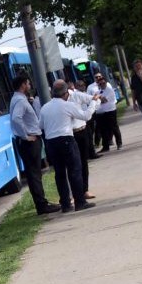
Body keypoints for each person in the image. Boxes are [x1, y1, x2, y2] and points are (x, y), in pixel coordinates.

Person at [40, 79, 97, 212]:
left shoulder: (45, 107)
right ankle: (79, 202)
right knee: (75, 171)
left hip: (51, 143)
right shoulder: (67, 105)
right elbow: (86, 116)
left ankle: (65, 204)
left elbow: (40, 126)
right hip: (66, 139)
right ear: (66, 93)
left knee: (59, 173)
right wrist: (93, 102)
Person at [9, 74, 60, 215]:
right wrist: (26, 136)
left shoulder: (17, 98)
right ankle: (42, 206)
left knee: (34, 174)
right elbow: (16, 119)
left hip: (28, 142)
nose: (30, 85)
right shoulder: (20, 100)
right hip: (30, 143)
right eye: (28, 83)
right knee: (34, 175)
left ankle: (42, 203)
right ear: (23, 85)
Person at [91, 73, 122, 151]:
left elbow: (104, 100)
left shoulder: (109, 90)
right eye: (99, 83)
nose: (101, 84)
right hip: (100, 113)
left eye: (103, 82)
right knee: (103, 130)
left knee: (114, 128)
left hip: (110, 111)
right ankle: (106, 146)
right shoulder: (98, 91)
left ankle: (119, 143)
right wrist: (98, 98)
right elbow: (94, 100)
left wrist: (99, 98)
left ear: (105, 82)